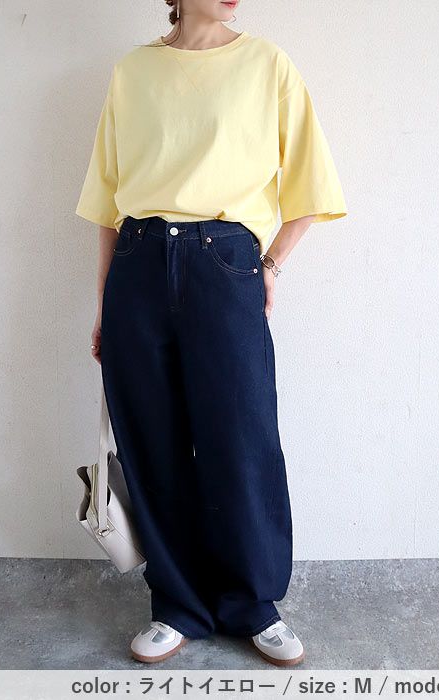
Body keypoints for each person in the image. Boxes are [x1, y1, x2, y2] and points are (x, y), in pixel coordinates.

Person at [75, 0, 347, 667]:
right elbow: (107, 203)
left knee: (241, 436)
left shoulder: (266, 64)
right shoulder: (133, 72)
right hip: (138, 262)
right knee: (152, 442)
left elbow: (311, 184)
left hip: (225, 262)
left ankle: (254, 603)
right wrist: (106, 301)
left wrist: (271, 265)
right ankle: (176, 602)